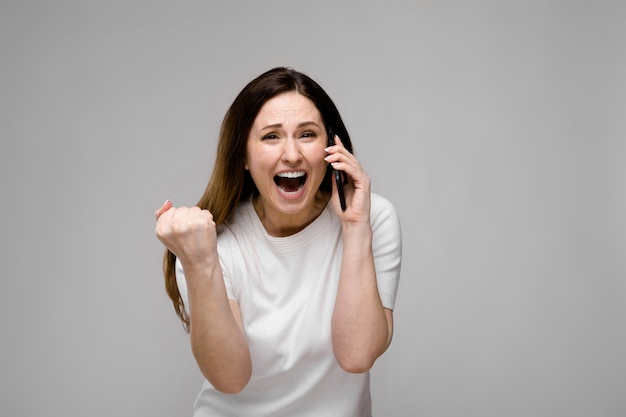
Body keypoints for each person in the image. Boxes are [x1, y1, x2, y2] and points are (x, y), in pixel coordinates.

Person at [154, 67, 402, 416]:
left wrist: (356, 225)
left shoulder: (373, 217)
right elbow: (230, 378)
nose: (291, 155)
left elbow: (357, 355)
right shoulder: (208, 243)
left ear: (332, 147)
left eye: (307, 134)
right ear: (243, 155)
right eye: (271, 137)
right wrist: (199, 261)